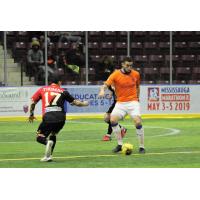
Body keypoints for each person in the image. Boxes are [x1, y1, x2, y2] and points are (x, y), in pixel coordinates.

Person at [28, 76, 89, 162]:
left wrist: (31, 114)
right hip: (61, 118)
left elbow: (33, 102)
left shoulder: (42, 89)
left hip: (48, 117)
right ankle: (48, 156)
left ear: (50, 82)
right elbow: (76, 103)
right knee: (53, 134)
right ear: (59, 82)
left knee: (39, 137)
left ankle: (47, 143)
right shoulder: (63, 91)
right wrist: (84, 104)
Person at [98, 56, 145, 153]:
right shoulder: (115, 75)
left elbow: (138, 86)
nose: (129, 68)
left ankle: (141, 147)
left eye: (131, 66)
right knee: (112, 120)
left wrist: (137, 98)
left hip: (133, 102)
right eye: (127, 65)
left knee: (138, 122)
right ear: (123, 64)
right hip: (120, 103)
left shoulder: (136, 74)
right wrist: (102, 91)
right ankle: (120, 145)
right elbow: (105, 85)